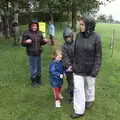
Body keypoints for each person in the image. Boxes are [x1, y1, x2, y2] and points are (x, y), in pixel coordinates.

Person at [71, 18, 102, 119]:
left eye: (82, 25)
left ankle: (89, 99)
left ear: (89, 26)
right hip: (78, 68)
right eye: (80, 24)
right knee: (78, 89)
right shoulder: (78, 35)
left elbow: (98, 56)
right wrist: (73, 64)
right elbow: (75, 51)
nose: (80, 26)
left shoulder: (96, 38)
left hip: (90, 68)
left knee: (90, 86)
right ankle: (79, 110)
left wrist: (95, 70)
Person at [21, 20, 48, 87]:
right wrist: (26, 41)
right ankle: (34, 81)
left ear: (37, 26)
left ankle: (38, 80)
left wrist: (45, 41)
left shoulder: (39, 33)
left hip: (39, 52)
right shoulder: (26, 33)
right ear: (30, 26)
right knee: (33, 68)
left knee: (39, 68)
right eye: (33, 26)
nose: (34, 27)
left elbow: (41, 42)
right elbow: (22, 43)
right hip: (31, 53)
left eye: (35, 26)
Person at [62, 28, 74, 103]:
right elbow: (65, 57)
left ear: (72, 36)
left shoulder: (76, 44)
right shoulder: (64, 46)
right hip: (68, 66)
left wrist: (74, 65)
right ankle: (69, 88)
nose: (68, 39)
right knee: (69, 79)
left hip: (76, 65)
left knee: (74, 81)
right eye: (66, 37)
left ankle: (73, 96)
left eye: (69, 37)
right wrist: (69, 65)